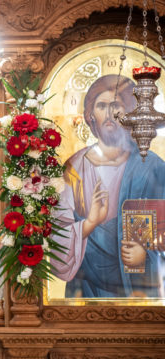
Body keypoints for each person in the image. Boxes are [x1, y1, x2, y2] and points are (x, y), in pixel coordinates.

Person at [53, 75, 165, 298]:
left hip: (140, 293)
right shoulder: (74, 169)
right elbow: (57, 233)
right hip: (86, 290)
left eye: (116, 106)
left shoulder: (152, 166)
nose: (109, 114)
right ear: (90, 115)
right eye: (101, 106)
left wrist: (147, 253)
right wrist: (90, 223)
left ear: (129, 112)